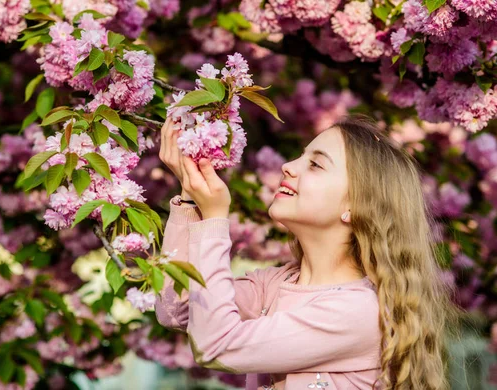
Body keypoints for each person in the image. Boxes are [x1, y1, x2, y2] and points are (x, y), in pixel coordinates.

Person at [154, 114, 462, 389]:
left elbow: (216, 346)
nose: (288, 166)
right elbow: (175, 308)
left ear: (354, 206)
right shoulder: (273, 285)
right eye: (301, 157)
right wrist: (190, 197)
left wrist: (215, 219)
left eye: (315, 164)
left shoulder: (357, 311)